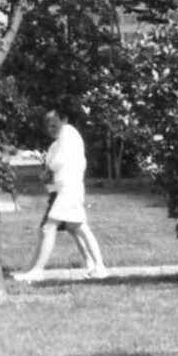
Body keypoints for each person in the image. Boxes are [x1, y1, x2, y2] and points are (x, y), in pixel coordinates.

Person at [14, 109, 108, 283]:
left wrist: (49, 167)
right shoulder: (56, 144)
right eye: (48, 125)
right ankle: (99, 267)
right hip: (65, 190)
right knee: (79, 228)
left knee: (48, 228)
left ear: (64, 119)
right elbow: (51, 167)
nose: (51, 128)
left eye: (54, 123)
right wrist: (47, 172)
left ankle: (37, 271)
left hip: (69, 190)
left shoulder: (69, 133)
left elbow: (58, 162)